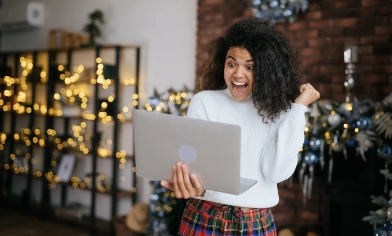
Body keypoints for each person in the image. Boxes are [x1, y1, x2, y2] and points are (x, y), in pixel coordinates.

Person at [161, 18, 320, 235]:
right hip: (206, 216)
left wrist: (298, 109)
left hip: (256, 223)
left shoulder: (279, 110)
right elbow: (199, 168)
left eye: (250, 66)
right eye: (232, 63)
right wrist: (194, 184)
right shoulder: (205, 102)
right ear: (223, 63)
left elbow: (276, 173)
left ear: (266, 70)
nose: (237, 74)